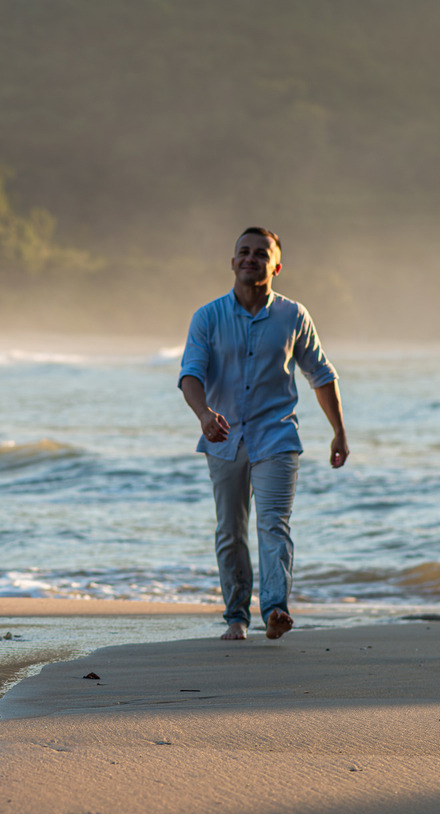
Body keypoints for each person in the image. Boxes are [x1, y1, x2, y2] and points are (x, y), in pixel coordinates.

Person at [178, 227, 347, 641]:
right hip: (224, 437)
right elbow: (190, 375)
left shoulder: (293, 316)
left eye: (260, 253)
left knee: (274, 526)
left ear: (276, 266)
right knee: (230, 530)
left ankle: (275, 611)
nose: (251, 258)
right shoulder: (208, 317)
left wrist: (339, 432)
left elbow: (320, 374)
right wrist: (203, 414)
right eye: (244, 252)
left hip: (276, 438)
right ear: (233, 262)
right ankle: (236, 616)